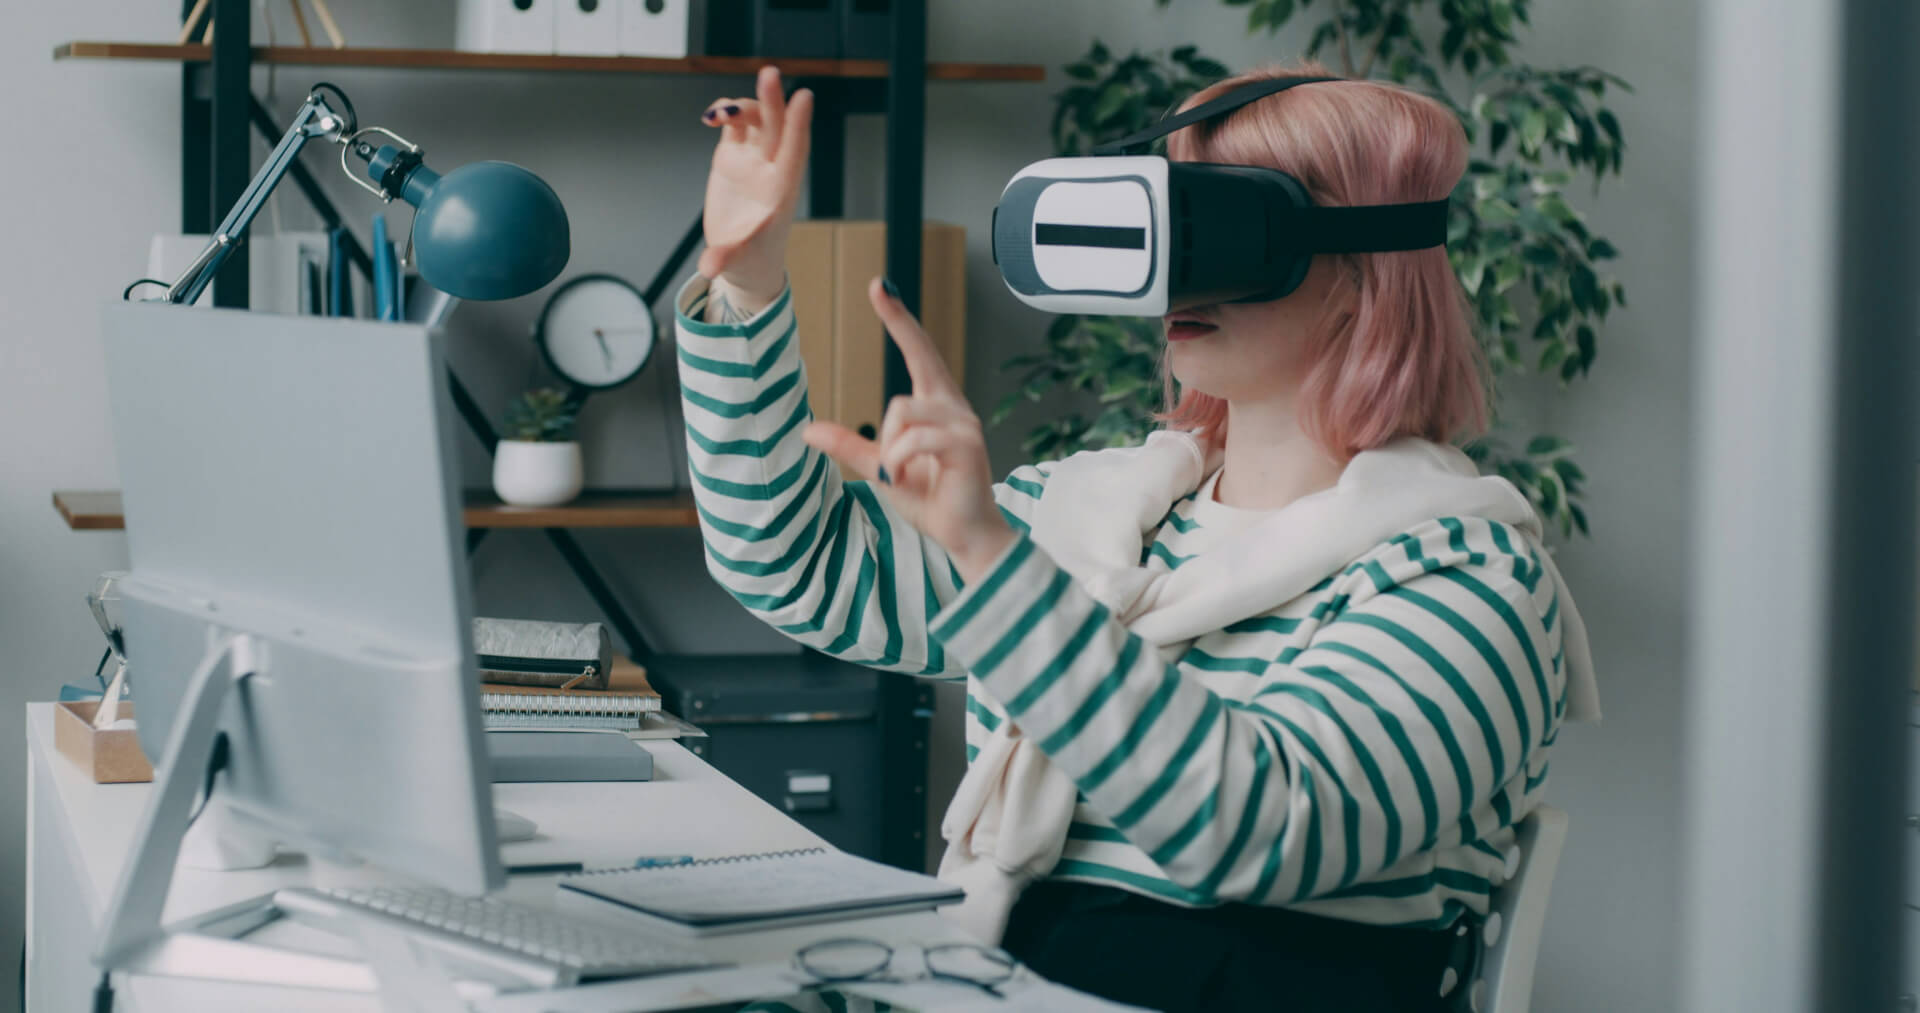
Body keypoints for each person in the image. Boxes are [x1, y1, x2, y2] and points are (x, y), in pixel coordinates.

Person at [679, 61, 1597, 1013]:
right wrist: (744, 279)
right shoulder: (1093, 519)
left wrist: (993, 564)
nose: (1178, 267)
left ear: (1365, 274)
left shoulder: (1467, 579)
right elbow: (794, 561)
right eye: (1166, 216)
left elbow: (1257, 826)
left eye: (1223, 222)